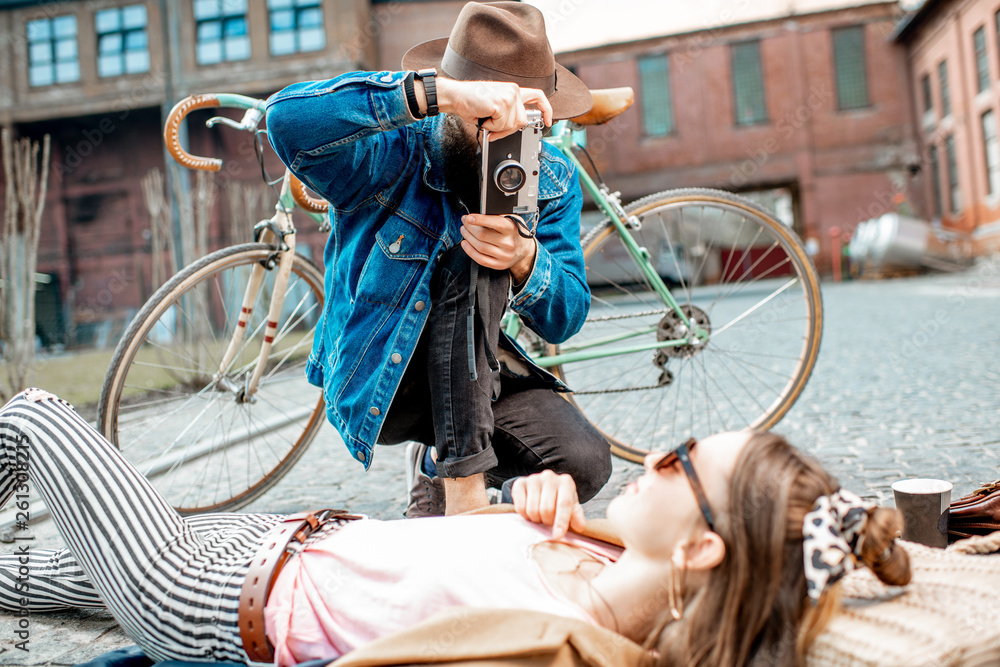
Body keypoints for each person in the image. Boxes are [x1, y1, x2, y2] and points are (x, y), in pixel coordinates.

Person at [0, 389, 910, 666]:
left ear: (701, 546)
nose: (656, 458)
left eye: (680, 457)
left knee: (38, 415)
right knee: (20, 573)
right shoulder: (598, 563)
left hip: (208, 596)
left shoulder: (560, 643)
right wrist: (544, 512)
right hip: (276, 541)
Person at [264, 1, 611, 517]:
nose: (507, 140)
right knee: (473, 255)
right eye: (492, 117)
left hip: (478, 375)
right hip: (386, 376)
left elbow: (567, 318)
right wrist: (439, 92)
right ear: (463, 100)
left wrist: (525, 259)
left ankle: (440, 469)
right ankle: (465, 492)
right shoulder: (388, 151)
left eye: (527, 124)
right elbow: (285, 119)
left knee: (585, 461)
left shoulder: (551, 175)